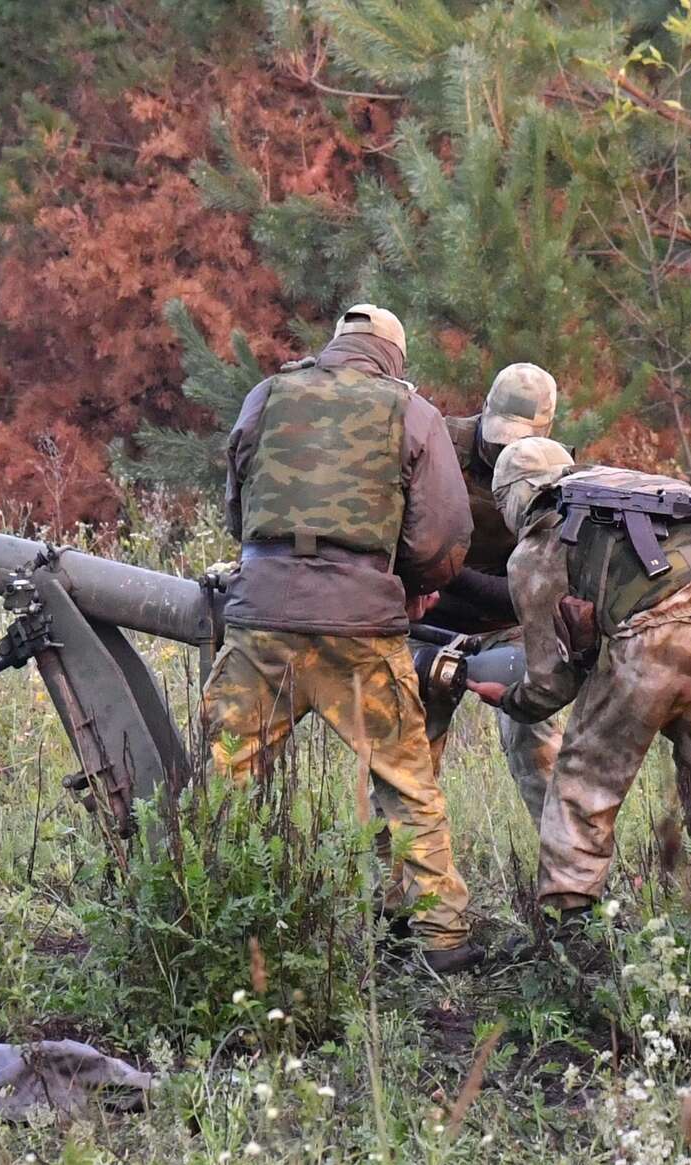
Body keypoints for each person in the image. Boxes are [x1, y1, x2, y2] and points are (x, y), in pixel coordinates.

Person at [203, 303, 480, 972]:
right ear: (392, 355)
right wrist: (408, 580)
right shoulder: (411, 411)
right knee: (406, 777)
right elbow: (445, 535)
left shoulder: (266, 394)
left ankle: (218, 922)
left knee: (227, 773)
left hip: (262, 613)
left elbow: (237, 507)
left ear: (337, 345)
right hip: (359, 624)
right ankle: (441, 936)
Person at [465, 438, 691, 915]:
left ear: (513, 495)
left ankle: (570, 916)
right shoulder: (651, 487)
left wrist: (512, 700)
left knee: (584, 782)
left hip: (658, 637)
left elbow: (550, 683)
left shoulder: (540, 544)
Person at [420, 364, 565, 824]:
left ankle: (574, 877)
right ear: (483, 409)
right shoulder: (435, 444)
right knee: (407, 757)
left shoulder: (557, 472)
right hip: (430, 619)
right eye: (497, 435)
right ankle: (393, 882)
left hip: (510, 622)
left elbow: (545, 583)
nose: (502, 449)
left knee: (537, 743)